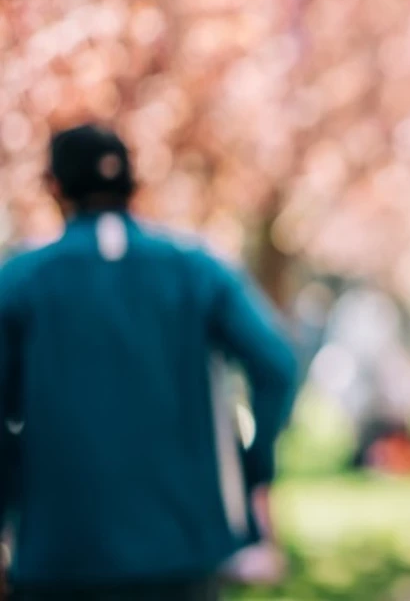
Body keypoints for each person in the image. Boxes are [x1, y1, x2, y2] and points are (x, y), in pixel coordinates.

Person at [0, 124, 299, 601]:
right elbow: (277, 365)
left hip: (59, 550)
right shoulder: (196, 269)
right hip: (183, 545)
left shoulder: (20, 281)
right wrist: (251, 469)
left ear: (53, 187)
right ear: (134, 184)